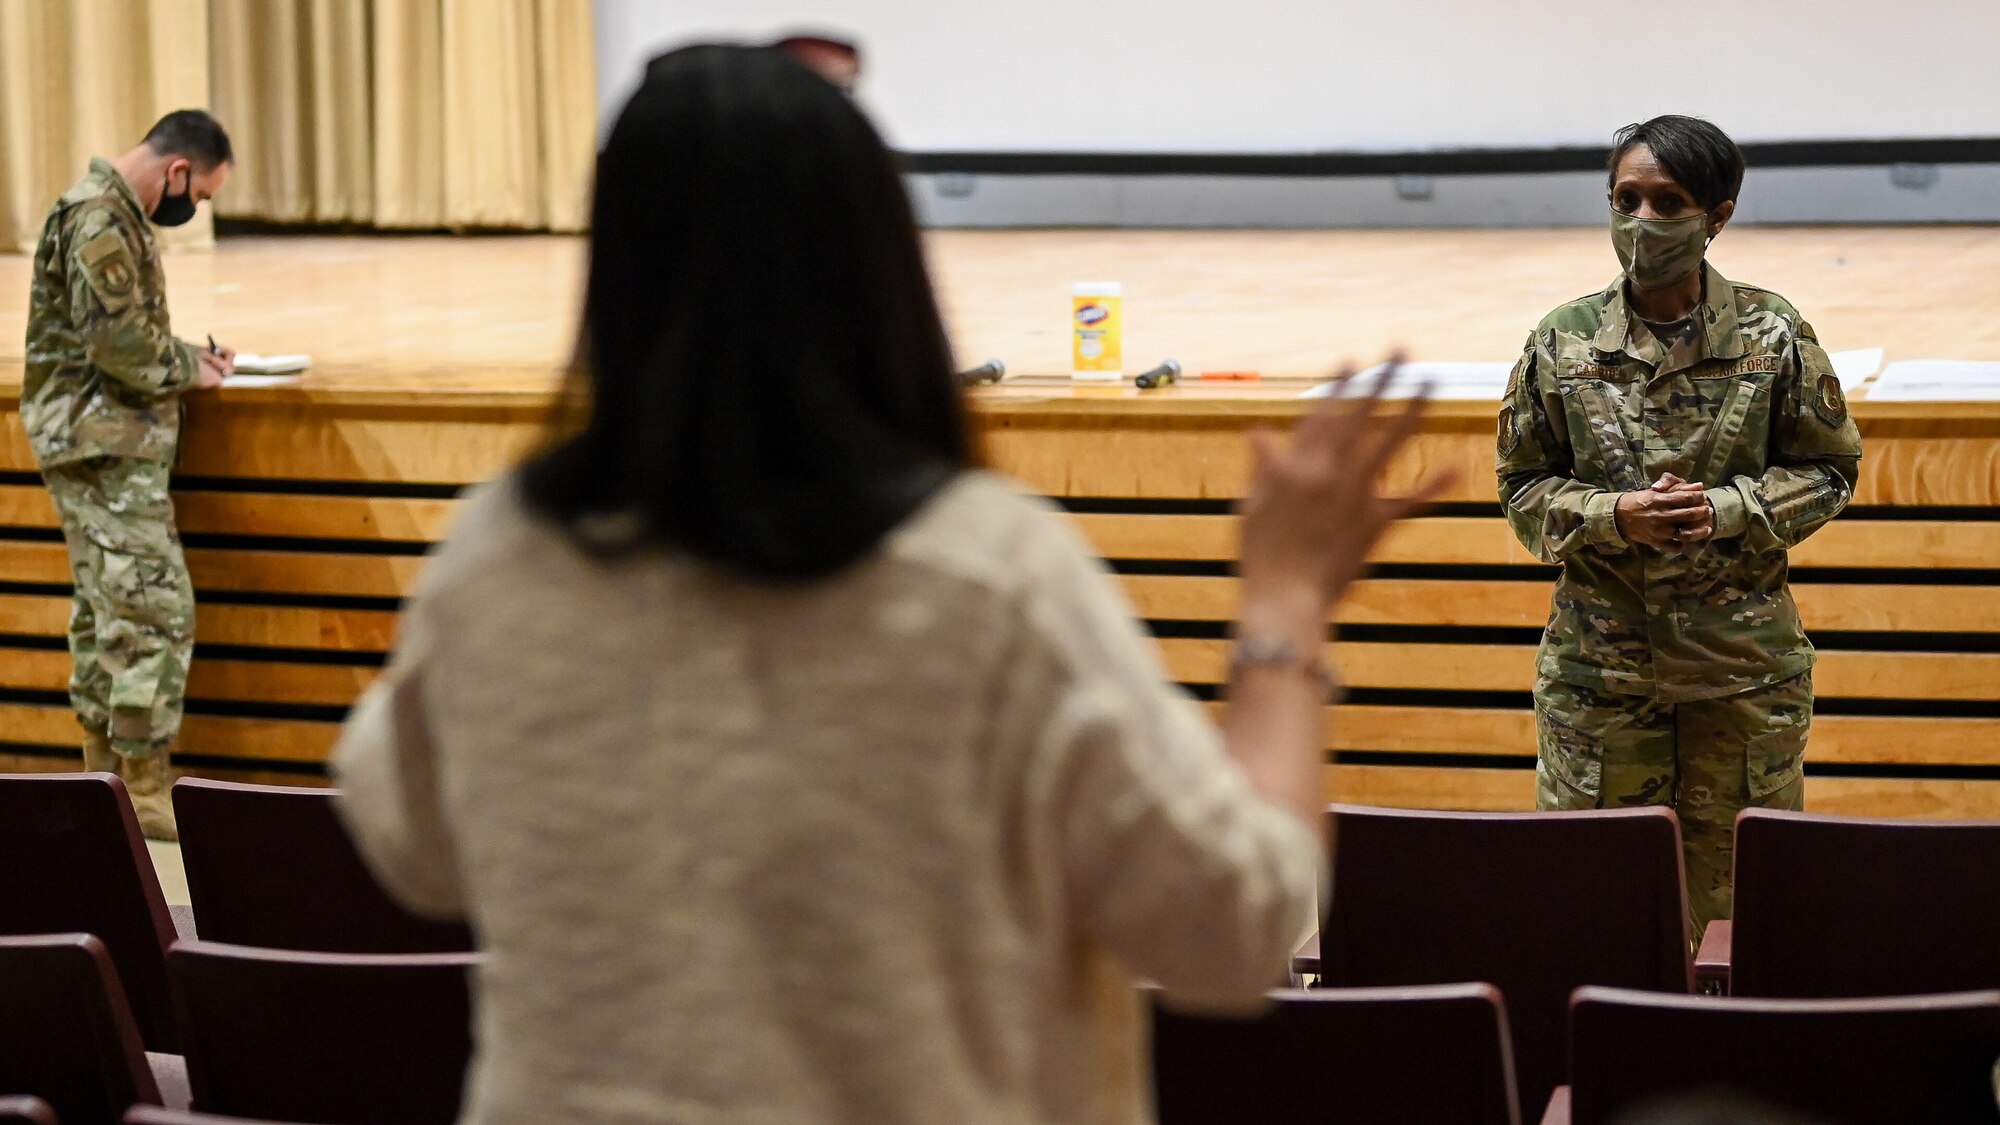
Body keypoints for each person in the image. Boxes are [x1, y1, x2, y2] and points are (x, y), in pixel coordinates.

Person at [333, 45, 1445, 1124]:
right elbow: (1229, 932)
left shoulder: (496, 553)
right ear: (876, 258)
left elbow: (409, 843)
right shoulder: (986, 579)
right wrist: (1285, 607)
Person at [1497, 115, 1863, 939]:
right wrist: (1612, 514)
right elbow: (1522, 490)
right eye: (1626, 199)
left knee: (1744, 921)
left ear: (1717, 215)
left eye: (1668, 201)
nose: (1642, 221)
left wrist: (1726, 509)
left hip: (1738, 685)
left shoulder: (1774, 334)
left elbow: (1831, 471)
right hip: (1600, 688)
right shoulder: (1562, 340)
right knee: (1596, 915)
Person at [23, 109, 236, 840]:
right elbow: (118, 348)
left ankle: (104, 782)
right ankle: (142, 790)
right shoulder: (101, 217)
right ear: (178, 171)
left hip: (97, 437)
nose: (193, 206)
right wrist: (188, 368)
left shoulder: (107, 210)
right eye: (201, 194)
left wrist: (188, 356)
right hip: (103, 444)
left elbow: (120, 334)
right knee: (154, 610)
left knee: (105, 611)